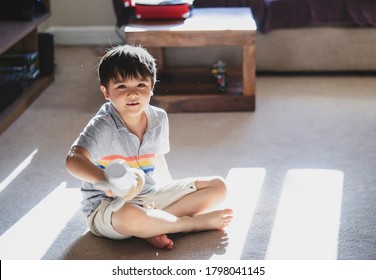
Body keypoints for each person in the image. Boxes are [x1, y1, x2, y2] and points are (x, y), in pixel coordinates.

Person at [65, 44, 233, 250]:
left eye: (141, 85)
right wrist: (104, 180)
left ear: (152, 86)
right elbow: (73, 159)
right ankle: (187, 225)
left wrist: (169, 192)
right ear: (106, 92)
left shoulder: (158, 118)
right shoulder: (103, 125)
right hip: (108, 208)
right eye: (122, 87)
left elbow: (158, 161)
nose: (133, 94)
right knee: (130, 217)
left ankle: (154, 225)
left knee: (218, 186)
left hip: (149, 196)